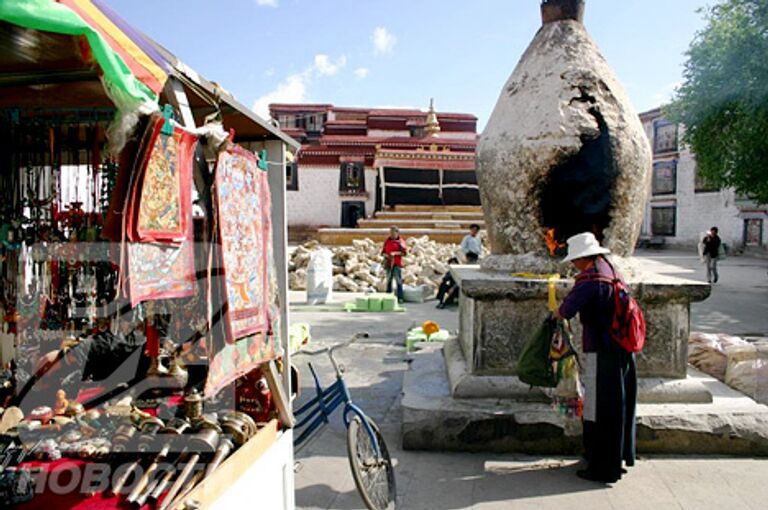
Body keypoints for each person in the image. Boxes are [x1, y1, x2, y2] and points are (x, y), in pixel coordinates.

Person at [553, 232, 637, 484]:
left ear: (583, 258)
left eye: (574, 260)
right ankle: (615, 459)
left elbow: (566, 310)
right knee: (618, 406)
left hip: (603, 350)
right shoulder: (610, 269)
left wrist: (555, 314)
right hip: (622, 348)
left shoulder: (590, 280)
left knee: (601, 409)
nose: (572, 264)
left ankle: (603, 468)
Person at [382, 226, 407, 302]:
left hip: (396, 263)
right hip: (388, 263)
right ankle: (388, 296)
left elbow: (404, 253)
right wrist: (386, 255)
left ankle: (400, 297)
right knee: (388, 280)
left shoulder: (401, 242)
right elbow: (383, 252)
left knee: (398, 280)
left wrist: (395, 253)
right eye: (390, 233)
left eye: (393, 233)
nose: (391, 234)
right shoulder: (387, 241)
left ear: (397, 233)